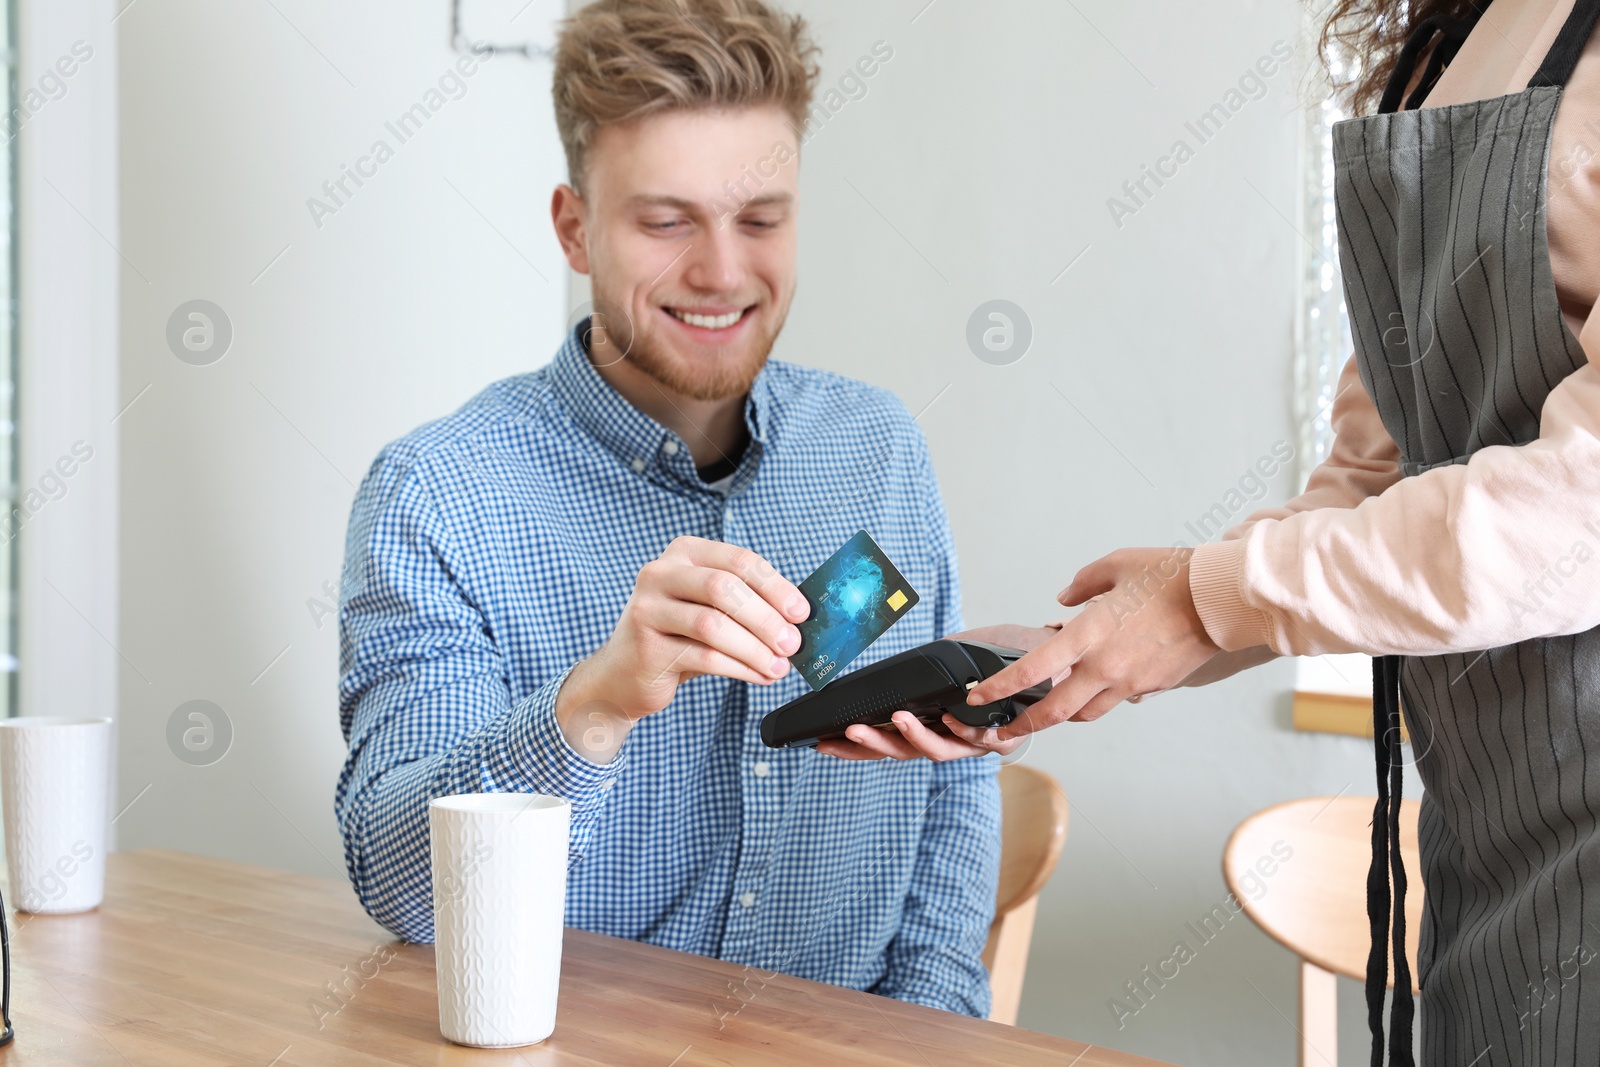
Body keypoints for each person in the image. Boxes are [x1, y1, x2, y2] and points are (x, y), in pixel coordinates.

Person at [839, 0, 1600, 1061]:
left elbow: (1576, 508)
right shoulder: (1442, 49)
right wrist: (1110, 639)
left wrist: (1204, 596)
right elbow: (1368, 483)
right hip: (1479, 833)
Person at [333, 0, 1002, 1018]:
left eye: (760, 219)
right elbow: (403, 885)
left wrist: (934, 1032)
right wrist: (593, 704)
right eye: (665, 221)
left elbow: (948, 789)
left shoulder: (877, 451)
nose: (723, 271)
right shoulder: (438, 496)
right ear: (574, 229)